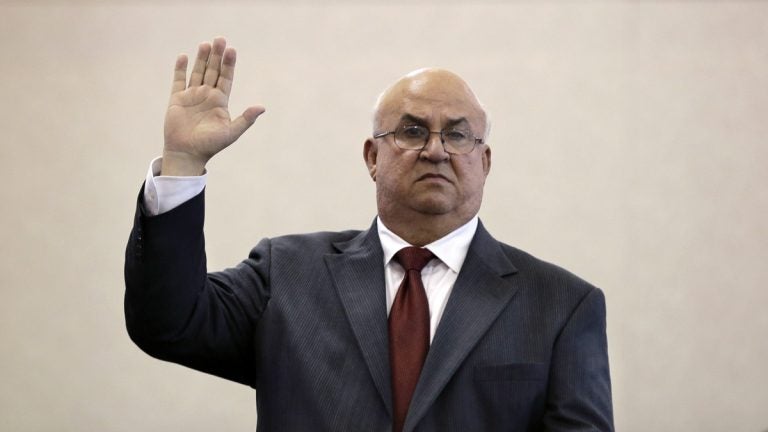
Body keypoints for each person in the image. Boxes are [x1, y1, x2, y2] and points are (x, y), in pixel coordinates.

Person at [125, 37, 614, 432]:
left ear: (484, 162)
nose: (437, 151)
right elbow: (170, 324)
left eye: (458, 135)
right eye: (413, 131)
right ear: (371, 157)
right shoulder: (286, 275)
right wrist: (184, 164)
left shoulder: (561, 305)